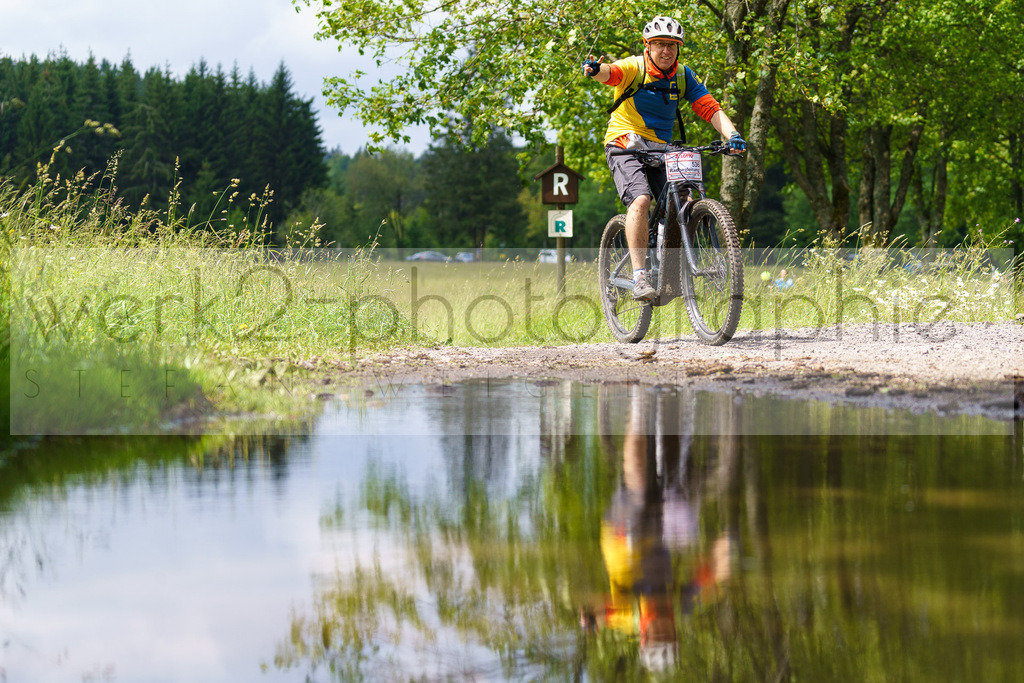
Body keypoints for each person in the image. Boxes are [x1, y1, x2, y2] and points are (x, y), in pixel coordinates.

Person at [582, 16, 746, 301]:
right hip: (624, 142)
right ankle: (639, 277)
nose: (666, 51)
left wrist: (732, 135)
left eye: (671, 45)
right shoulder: (635, 67)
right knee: (641, 200)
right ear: (648, 46)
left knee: (683, 204)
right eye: (659, 44)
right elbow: (611, 73)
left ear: (678, 48)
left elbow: (710, 108)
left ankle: (670, 269)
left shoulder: (683, 75)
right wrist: (596, 69)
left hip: (661, 147)